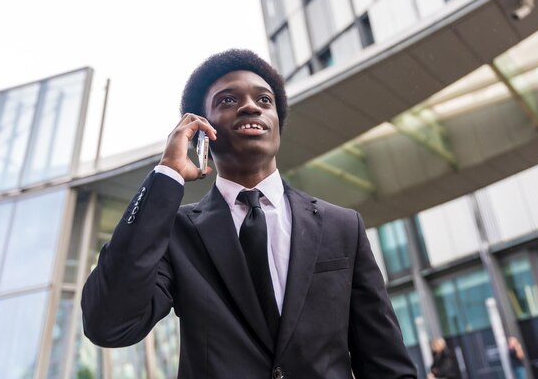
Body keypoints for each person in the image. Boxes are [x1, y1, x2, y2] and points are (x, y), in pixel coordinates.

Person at [81, 49, 417, 379]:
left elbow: (385, 362)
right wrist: (166, 174)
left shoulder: (342, 226)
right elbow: (108, 324)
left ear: (277, 125)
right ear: (200, 130)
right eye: (228, 100)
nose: (250, 106)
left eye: (264, 100)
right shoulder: (177, 233)